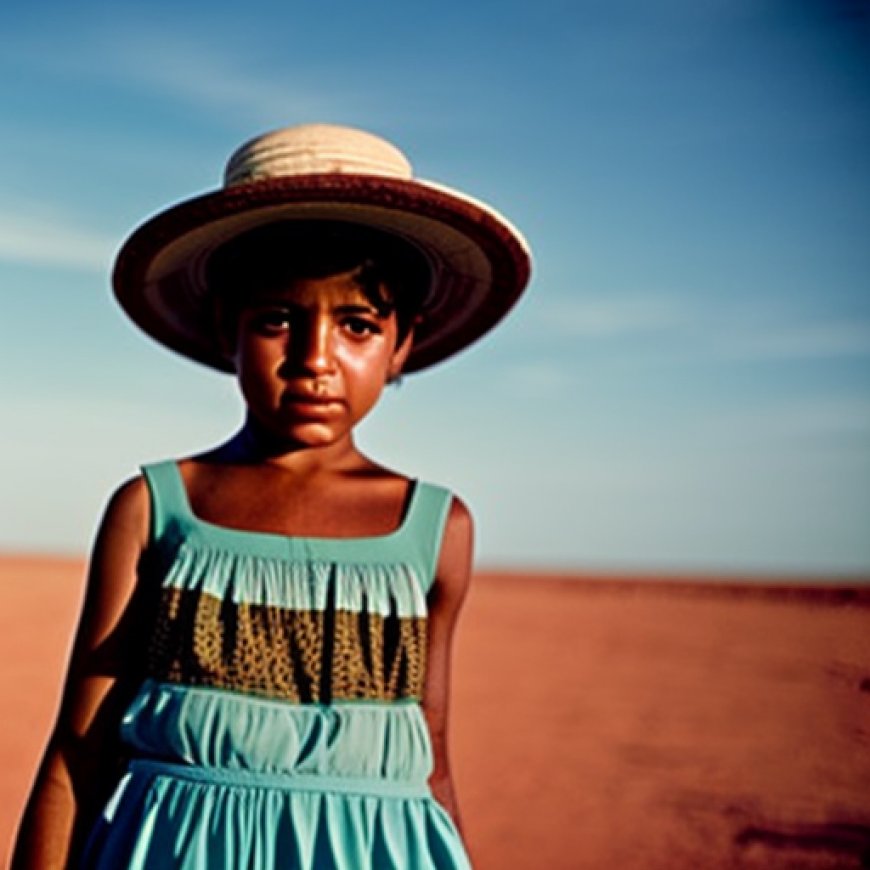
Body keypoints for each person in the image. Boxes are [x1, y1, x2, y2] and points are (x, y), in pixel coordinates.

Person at [12, 123, 531, 870]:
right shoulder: (155, 508)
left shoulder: (435, 528)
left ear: (402, 344)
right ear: (227, 326)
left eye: (358, 325)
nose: (315, 360)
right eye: (278, 320)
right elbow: (79, 747)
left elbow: (430, 758)